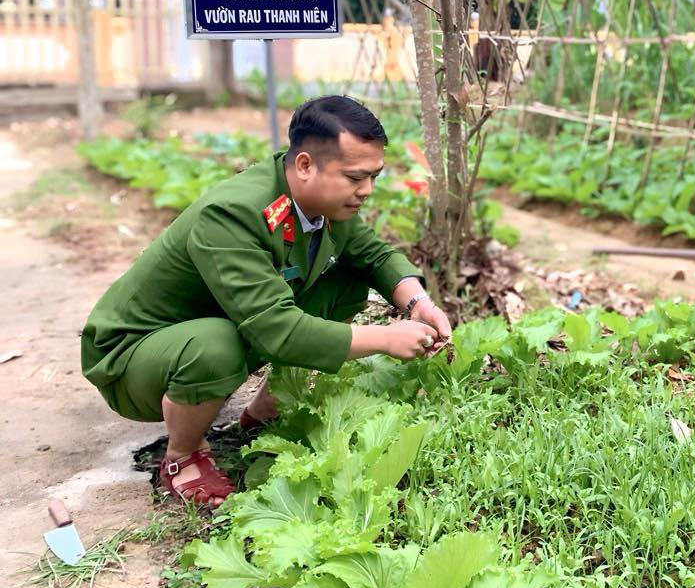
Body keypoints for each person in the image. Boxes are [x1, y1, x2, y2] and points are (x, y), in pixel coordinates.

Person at [81, 96, 452, 507]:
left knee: (345, 282)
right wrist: (385, 339)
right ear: (306, 165)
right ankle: (182, 456)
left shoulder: (317, 199)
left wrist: (417, 301)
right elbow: (278, 330)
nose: (366, 191)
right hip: (133, 357)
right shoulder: (232, 214)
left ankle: (265, 409)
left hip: (221, 327)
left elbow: (374, 256)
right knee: (215, 345)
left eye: (373, 177)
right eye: (354, 178)